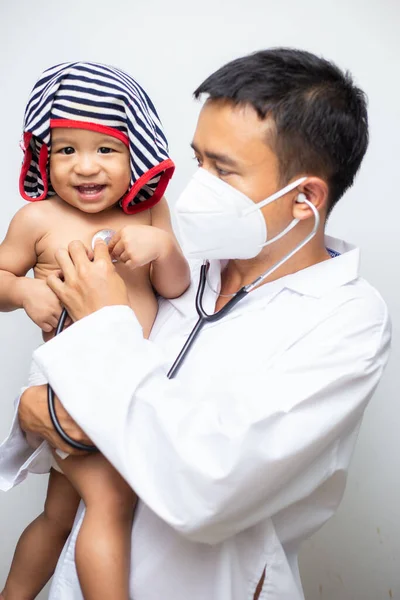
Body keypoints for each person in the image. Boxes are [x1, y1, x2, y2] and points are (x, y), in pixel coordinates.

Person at [1, 48, 391, 600]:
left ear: (305, 197)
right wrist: (40, 412)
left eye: (223, 169)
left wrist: (101, 325)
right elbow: (64, 408)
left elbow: (206, 487)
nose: (197, 186)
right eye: (197, 160)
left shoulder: (346, 320)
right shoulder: (181, 262)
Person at [0, 62, 189, 600]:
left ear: (139, 153)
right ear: (43, 155)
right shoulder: (36, 220)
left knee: (60, 514)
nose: (85, 167)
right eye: (66, 150)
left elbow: (175, 292)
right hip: (74, 378)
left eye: (106, 149)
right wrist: (21, 292)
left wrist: (166, 249)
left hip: (132, 375)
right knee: (110, 503)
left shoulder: (151, 211)